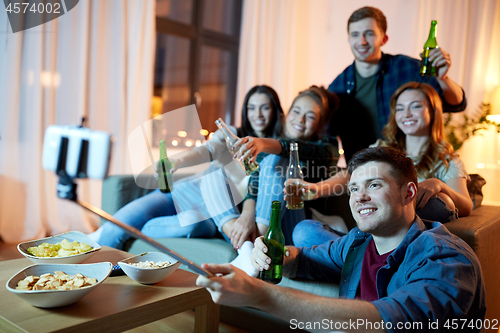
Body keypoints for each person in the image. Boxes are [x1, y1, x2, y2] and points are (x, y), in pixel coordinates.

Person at [196, 146, 486, 332]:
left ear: (408, 193)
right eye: (354, 188)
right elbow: (306, 258)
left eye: (374, 185)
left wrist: (261, 294)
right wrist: (274, 253)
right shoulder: (359, 241)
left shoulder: (445, 259)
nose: (359, 196)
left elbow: (392, 320)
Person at [91, 85, 284, 249]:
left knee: (191, 226)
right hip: (184, 193)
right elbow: (207, 150)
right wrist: (178, 162)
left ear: (275, 110)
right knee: (115, 228)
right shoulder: (233, 134)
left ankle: (131, 229)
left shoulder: (278, 153)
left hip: (211, 216)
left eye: (264, 107)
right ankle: (108, 240)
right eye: (251, 108)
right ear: (245, 111)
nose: (257, 114)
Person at [291, 82, 473, 247]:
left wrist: (439, 185)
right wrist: (316, 189)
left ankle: (359, 260)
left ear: (433, 112)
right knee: (303, 232)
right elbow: (349, 175)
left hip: (406, 242)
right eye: (400, 108)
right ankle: (363, 256)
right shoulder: (382, 148)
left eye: (416, 106)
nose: (407, 114)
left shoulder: (446, 161)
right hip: (366, 236)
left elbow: (465, 205)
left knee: (439, 202)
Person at [201, 85, 343, 273]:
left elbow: (292, 148)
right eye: (297, 111)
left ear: (319, 123)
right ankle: (247, 250)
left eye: (310, 116)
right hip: (261, 220)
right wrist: (247, 212)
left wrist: (264, 144)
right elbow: (256, 176)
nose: (300, 120)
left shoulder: (327, 147)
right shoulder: (274, 137)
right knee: (211, 173)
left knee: (281, 157)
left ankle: (256, 246)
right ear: (287, 113)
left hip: (292, 225)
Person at [329, 6, 467, 161]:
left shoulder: (408, 68)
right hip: (364, 172)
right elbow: (326, 137)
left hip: (412, 167)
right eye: (355, 34)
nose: (362, 41)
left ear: (384, 39)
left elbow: (456, 103)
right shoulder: (337, 87)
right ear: (349, 39)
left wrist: (443, 78)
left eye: (369, 33)